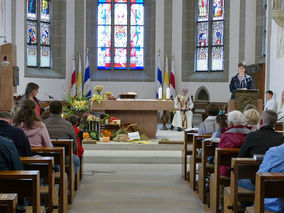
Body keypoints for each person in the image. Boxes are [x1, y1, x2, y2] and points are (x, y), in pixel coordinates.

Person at [43, 101, 80, 174]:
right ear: (61, 111)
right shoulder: (68, 125)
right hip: (64, 158)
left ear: (49, 110)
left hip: (47, 156)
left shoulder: (42, 124)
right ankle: (69, 183)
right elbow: (75, 146)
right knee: (76, 160)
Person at [218, 110, 251, 176]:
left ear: (230, 123)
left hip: (228, 171)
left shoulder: (225, 135)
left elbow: (220, 155)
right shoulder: (251, 134)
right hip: (247, 171)